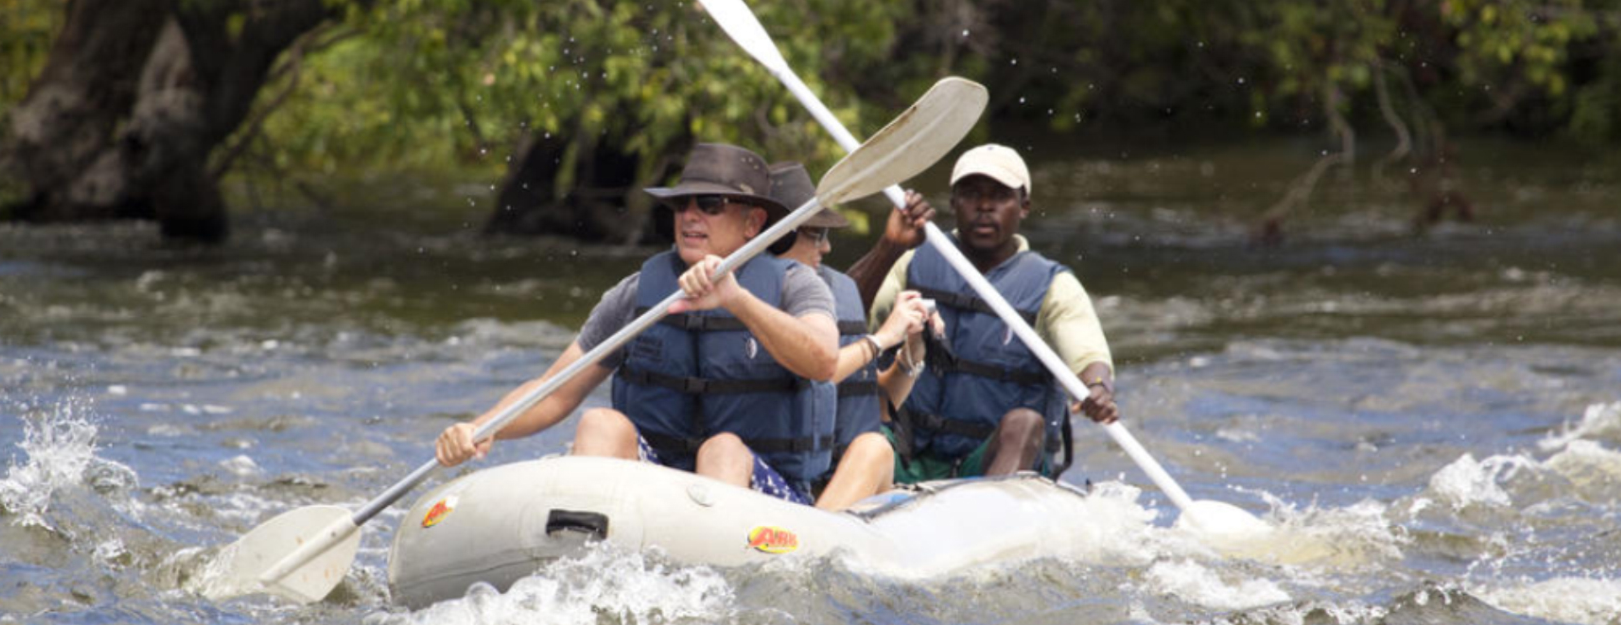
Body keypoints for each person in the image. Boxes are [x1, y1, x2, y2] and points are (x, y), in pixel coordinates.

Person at [435, 143, 840, 504]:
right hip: (660, 484)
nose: (691, 216)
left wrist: (737, 300)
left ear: (752, 224)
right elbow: (554, 390)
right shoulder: (637, 295)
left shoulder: (796, 285)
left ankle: (709, 570)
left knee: (723, 449)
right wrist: (484, 427)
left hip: (766, 494)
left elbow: (823, 361)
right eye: (683, 204)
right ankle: (582, 555)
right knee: (601, 423)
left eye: (710, 204)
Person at [850, 144, 1118, 482]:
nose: (985, 206)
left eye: (1000, 196)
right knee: (861, 430)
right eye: (971, 194)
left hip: (993, 462)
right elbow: (844, 322)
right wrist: (890, 246)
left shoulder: (1054, 285)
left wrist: (1097, 389)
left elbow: (1090, 358)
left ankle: (989, 515)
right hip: (909, 452)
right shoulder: (912, 261)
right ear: (953, 203)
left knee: (1025, 422)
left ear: (1024, 206)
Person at [764, 162, 934, 510]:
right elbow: (813, 372)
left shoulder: (826, 295)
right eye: (817, 234)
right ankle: (811, 544)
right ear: (775, 236)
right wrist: (882, 338)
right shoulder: (743, 304)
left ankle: (816, 537)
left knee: (874, 446)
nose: (825, 248)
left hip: (835, 478)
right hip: (769, 479)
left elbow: (878, 400)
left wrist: (911, 348)